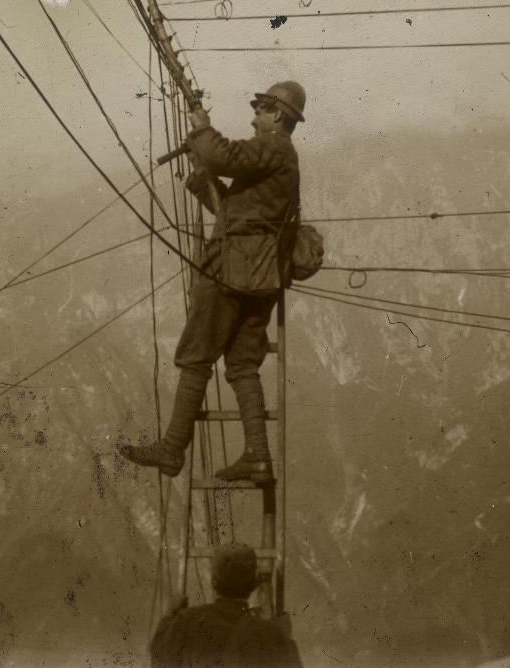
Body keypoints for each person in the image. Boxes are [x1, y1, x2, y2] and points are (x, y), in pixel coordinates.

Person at [120, 81, 305, 482]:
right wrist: (204, 177)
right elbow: (239, 211)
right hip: (262, 274)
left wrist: (202, 128)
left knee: (196, 353)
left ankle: (172, 449)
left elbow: (226, 157)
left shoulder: (273, 147)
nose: (254, 117)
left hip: (231, 269)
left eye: (260, 110)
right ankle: (257, 454)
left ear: (277, 115)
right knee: (241, 363)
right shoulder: (280, 158)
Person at [150, 542, 302, 668]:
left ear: (214, 582)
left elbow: (158, 659)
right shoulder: (272, 635)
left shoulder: (186, 621)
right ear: (254, 584)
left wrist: (169, 615)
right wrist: (284, 636)